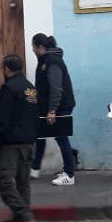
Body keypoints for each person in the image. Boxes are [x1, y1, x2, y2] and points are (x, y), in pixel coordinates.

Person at [0, 54, 38, 222]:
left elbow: (3, 118)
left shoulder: (9, 88)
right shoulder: (30, 88)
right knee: (22, 182)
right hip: (28, 142)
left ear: (7, 69)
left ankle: (25, 217)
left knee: (3, 178)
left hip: (11, 143)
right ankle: (21, 221)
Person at [30, 33, 77, 186]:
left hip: (60, 106)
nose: (32, 50)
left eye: (33, 47)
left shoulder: (52, 62)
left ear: (40, 47)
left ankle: (69, 174)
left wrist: (52, 110)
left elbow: (56, 88)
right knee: (43, 135)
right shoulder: (45, 61)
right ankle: (35, 168)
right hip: (50, 107)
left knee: (61, 137)